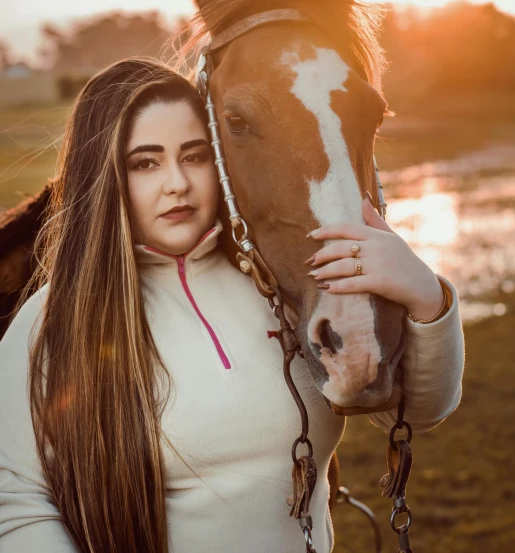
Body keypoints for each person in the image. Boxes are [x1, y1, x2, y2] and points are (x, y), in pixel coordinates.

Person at [0, 58, 465, 553]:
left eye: (194, 155)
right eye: (146, 162)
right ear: (107, 176)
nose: (176, 182)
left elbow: (418, 411)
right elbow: (15, 500)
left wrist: (427, 296)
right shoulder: (51, 321)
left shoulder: (276, 288)